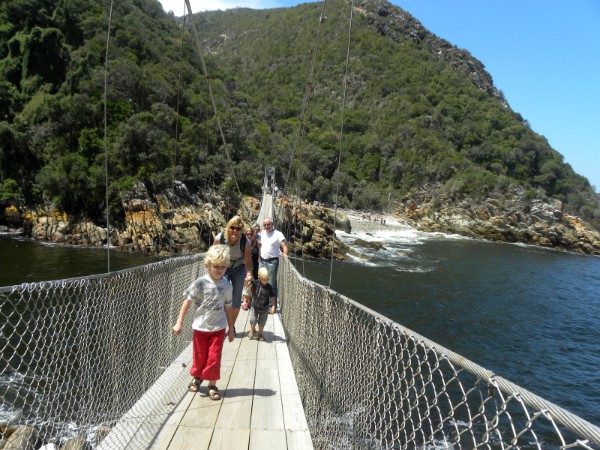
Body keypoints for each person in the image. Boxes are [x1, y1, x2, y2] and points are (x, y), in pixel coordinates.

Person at [172, 244, 234, 401]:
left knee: (214, 357)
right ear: (207, 266)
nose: (219, 270)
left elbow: (228, 307)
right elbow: (187, 302)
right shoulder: (200, 283)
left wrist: (231, 328)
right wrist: (179, 322)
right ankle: (197, 377)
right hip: (200, 328)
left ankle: (212, 385)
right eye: (215, 266)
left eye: (223, 267)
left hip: (218, 328)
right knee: (199, 356)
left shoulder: (227, 286)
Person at [213, 216, 252, 335]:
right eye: (232, 228)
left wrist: (249, 274)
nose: (235, 231)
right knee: (219, 296)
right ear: (228, 228)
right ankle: (218, 325)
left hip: (238, 268)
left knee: (236, 299)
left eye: (238, 228)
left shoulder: (245, 242)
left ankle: (231, 326)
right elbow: (211, 256)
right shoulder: (220, 238)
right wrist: (211, 273)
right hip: (223, 267)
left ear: (241, 230)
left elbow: (248, 262)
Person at [257, 216, 288, 304]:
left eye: (268, 224)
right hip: (262, 260)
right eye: (264, 225)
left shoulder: (278, 234)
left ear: (272, 224)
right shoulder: (262, 233)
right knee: (260, 280)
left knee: (271, 282)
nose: (266, 226)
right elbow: (260, 244)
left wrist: (285, 253)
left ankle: (272, 303)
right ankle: (261, 299)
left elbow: (284, 245)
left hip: (272, 261)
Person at [245, 266, 276, 341]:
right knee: (253, 320)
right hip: (254, 306)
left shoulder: (269, 287)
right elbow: (248, 285)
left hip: (264, 308)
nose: (266, 281)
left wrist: (273, 306)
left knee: (262, 322)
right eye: (264, 279)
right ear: (259, 278)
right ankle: (252, 330)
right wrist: (246, 282)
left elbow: (272, 297)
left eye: (267, 279)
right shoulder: (256, 283)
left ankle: (260, 334)